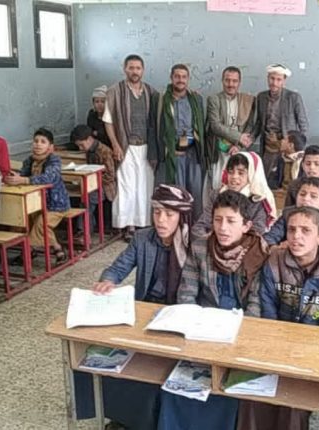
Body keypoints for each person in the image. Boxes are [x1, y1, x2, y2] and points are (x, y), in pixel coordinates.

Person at [73, 185, 195, 429]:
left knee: (154, 369)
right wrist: (108, 281)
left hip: (179, 315)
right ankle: (120, 417)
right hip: (145, 312)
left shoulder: (193, 244)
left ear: (181, 216)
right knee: (105, 357)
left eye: (169, 214)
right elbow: (119, 267)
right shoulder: (143, 238)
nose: (161, 220)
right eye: (157, 212)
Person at [164, 191, 269, 430]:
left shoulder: (258, 253)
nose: (222, 228)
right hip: (204, 329)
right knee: (176, 389)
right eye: (217, 220)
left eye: (231, 221)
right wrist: (191, 329)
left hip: (240, 333)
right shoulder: (201, 246)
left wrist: (238, 339)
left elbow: (255, 304)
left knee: (227, 391)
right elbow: (187, 293)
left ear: (246, 226)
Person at [245, 206, 319, 430]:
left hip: (310, 350)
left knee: (292, 403)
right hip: (273, 342)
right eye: (291, 230)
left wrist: (302, 352)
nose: (296, 236)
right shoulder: (274, 262)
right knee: (251, 397)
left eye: (305, 230)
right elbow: (267, 308)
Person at [104, 54, 159, 240]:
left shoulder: (151, 92)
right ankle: (129, 225)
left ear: (143, 70)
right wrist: (115, 144)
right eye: (131, 68)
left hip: (146, 147)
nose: (135, 71)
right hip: (125, 146)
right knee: (127, 186)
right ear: (125, 69)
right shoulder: (115, 91)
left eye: (138, 68)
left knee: (145, 186)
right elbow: (108, 121)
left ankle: (144, 223)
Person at [5, 128, 70, 265]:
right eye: (36, 141)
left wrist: (24, 180)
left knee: (41, 224)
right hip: (35, 203)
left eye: (43, 142)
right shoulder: (29, 160)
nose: (38, 144)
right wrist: (16, 177)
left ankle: (45, 249)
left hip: (55, 205)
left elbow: (49, 178)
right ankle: (36, 250)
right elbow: (23, 175)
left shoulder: (54, 161)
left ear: (50, 147)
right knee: (22, 220)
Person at [152, 63, 206, 219]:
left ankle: (193, 225)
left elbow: (200, 127)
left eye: (184, 77)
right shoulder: (161, 99)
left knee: (194, 191)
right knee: (175, 192)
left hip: (192, 154)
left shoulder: (196, 99)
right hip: (172, 155)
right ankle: (177, 224)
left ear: (188, 79)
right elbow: (154, 127)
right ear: (171, 78)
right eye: (177, 76)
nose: (180, 80)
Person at [251, 64, 309, 189]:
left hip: (288, 146)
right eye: (272, 78)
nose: (274, 83)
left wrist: (299, 148)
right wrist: (250, 139)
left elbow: (303, 124)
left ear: (284, 81)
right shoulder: (261, 97)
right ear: (267, 78)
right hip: (269, 144)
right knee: (265, 179)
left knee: (288, 179)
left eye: (279, 79)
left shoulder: (293, 97)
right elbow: (259, 123)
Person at [192, 152, 276, 237]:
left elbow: (256, 233)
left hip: (245, 244)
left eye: (241, 173)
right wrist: (213, 240)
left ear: (252, 175)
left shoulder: (259, 200)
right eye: (230, 172)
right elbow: (200, 226)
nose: (234, 177)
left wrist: (229, 240)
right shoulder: (217, 195)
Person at [205, 66, 256, 195]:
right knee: (217, 186)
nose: (231, 84)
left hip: (239, 151)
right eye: (227, 80)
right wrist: (238, 137)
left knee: (239, 187)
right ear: (222, 81)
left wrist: (238, 146)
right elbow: (215, 126)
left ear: (239, 82)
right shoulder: (214, 99)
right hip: (219, 151)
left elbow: (249, 127)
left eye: (234, 81)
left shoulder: (247, 101)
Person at [265, 177, 319, 257]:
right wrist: (277, 249)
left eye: (313, 196)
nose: (306, 199)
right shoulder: (287, 214)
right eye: (302, 194)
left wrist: (305, 250)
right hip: (287, 256)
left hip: (317, 260)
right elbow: (268, 238)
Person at [70, 124, 117, 231]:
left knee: (87, 199)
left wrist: (92, 181)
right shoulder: (89, 150)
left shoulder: (104, 151)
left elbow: (110, 176)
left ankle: (84, 230)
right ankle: (87, 227)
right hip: (93, 184)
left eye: (81, 145)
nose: (80, 148)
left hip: (106, 187)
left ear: (90, 139)